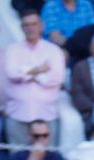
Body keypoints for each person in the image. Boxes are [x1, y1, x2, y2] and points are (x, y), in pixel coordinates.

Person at [4, 11, 67, 145]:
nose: (30, 28)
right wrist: (39, 70)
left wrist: (26, 72)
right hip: (18, 113)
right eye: (26, 25)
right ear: (21, 27)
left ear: (41, 26)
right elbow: (12, 73)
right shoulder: (12, 50)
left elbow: (57, 78)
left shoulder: (54, 51)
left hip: (46, 115)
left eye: (34, 24)